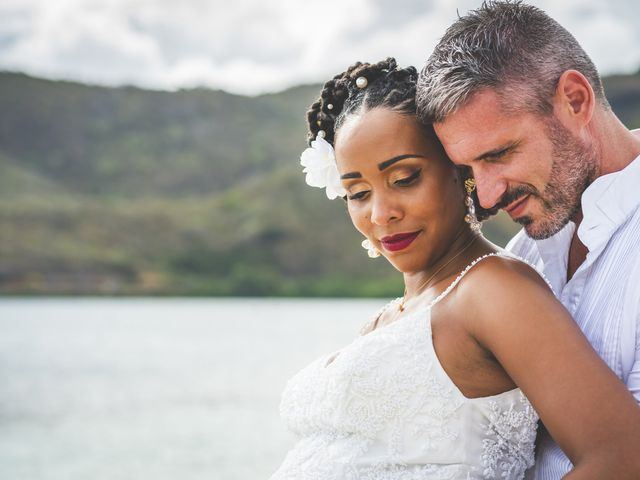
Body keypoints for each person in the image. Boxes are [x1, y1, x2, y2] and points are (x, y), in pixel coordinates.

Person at [269, 58, 640, 480]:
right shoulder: (393, 316)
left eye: (405, 178)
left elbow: (623, 457)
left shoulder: (494, 290)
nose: (381, 213)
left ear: (460, 170)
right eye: (357, 192)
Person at [417, 1, 640, 478]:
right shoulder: (520, 257)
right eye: (469, 170)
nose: (489, 194)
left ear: (575, 100)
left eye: (499, 153)